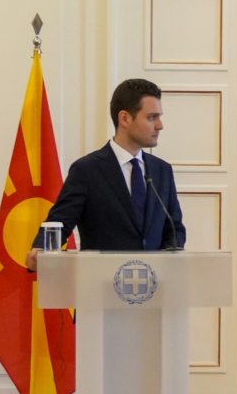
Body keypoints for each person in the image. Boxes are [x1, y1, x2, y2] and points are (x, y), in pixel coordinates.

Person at [26, 78, 186, 270]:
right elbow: (60, 222)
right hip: (101, 281)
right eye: (152, 117)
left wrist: (169, 260)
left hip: (153, 283)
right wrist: (40, 249)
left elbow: (174, 229)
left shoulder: (162, 171)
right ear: (125, 118)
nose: (160, 125)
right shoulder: (87, 170)